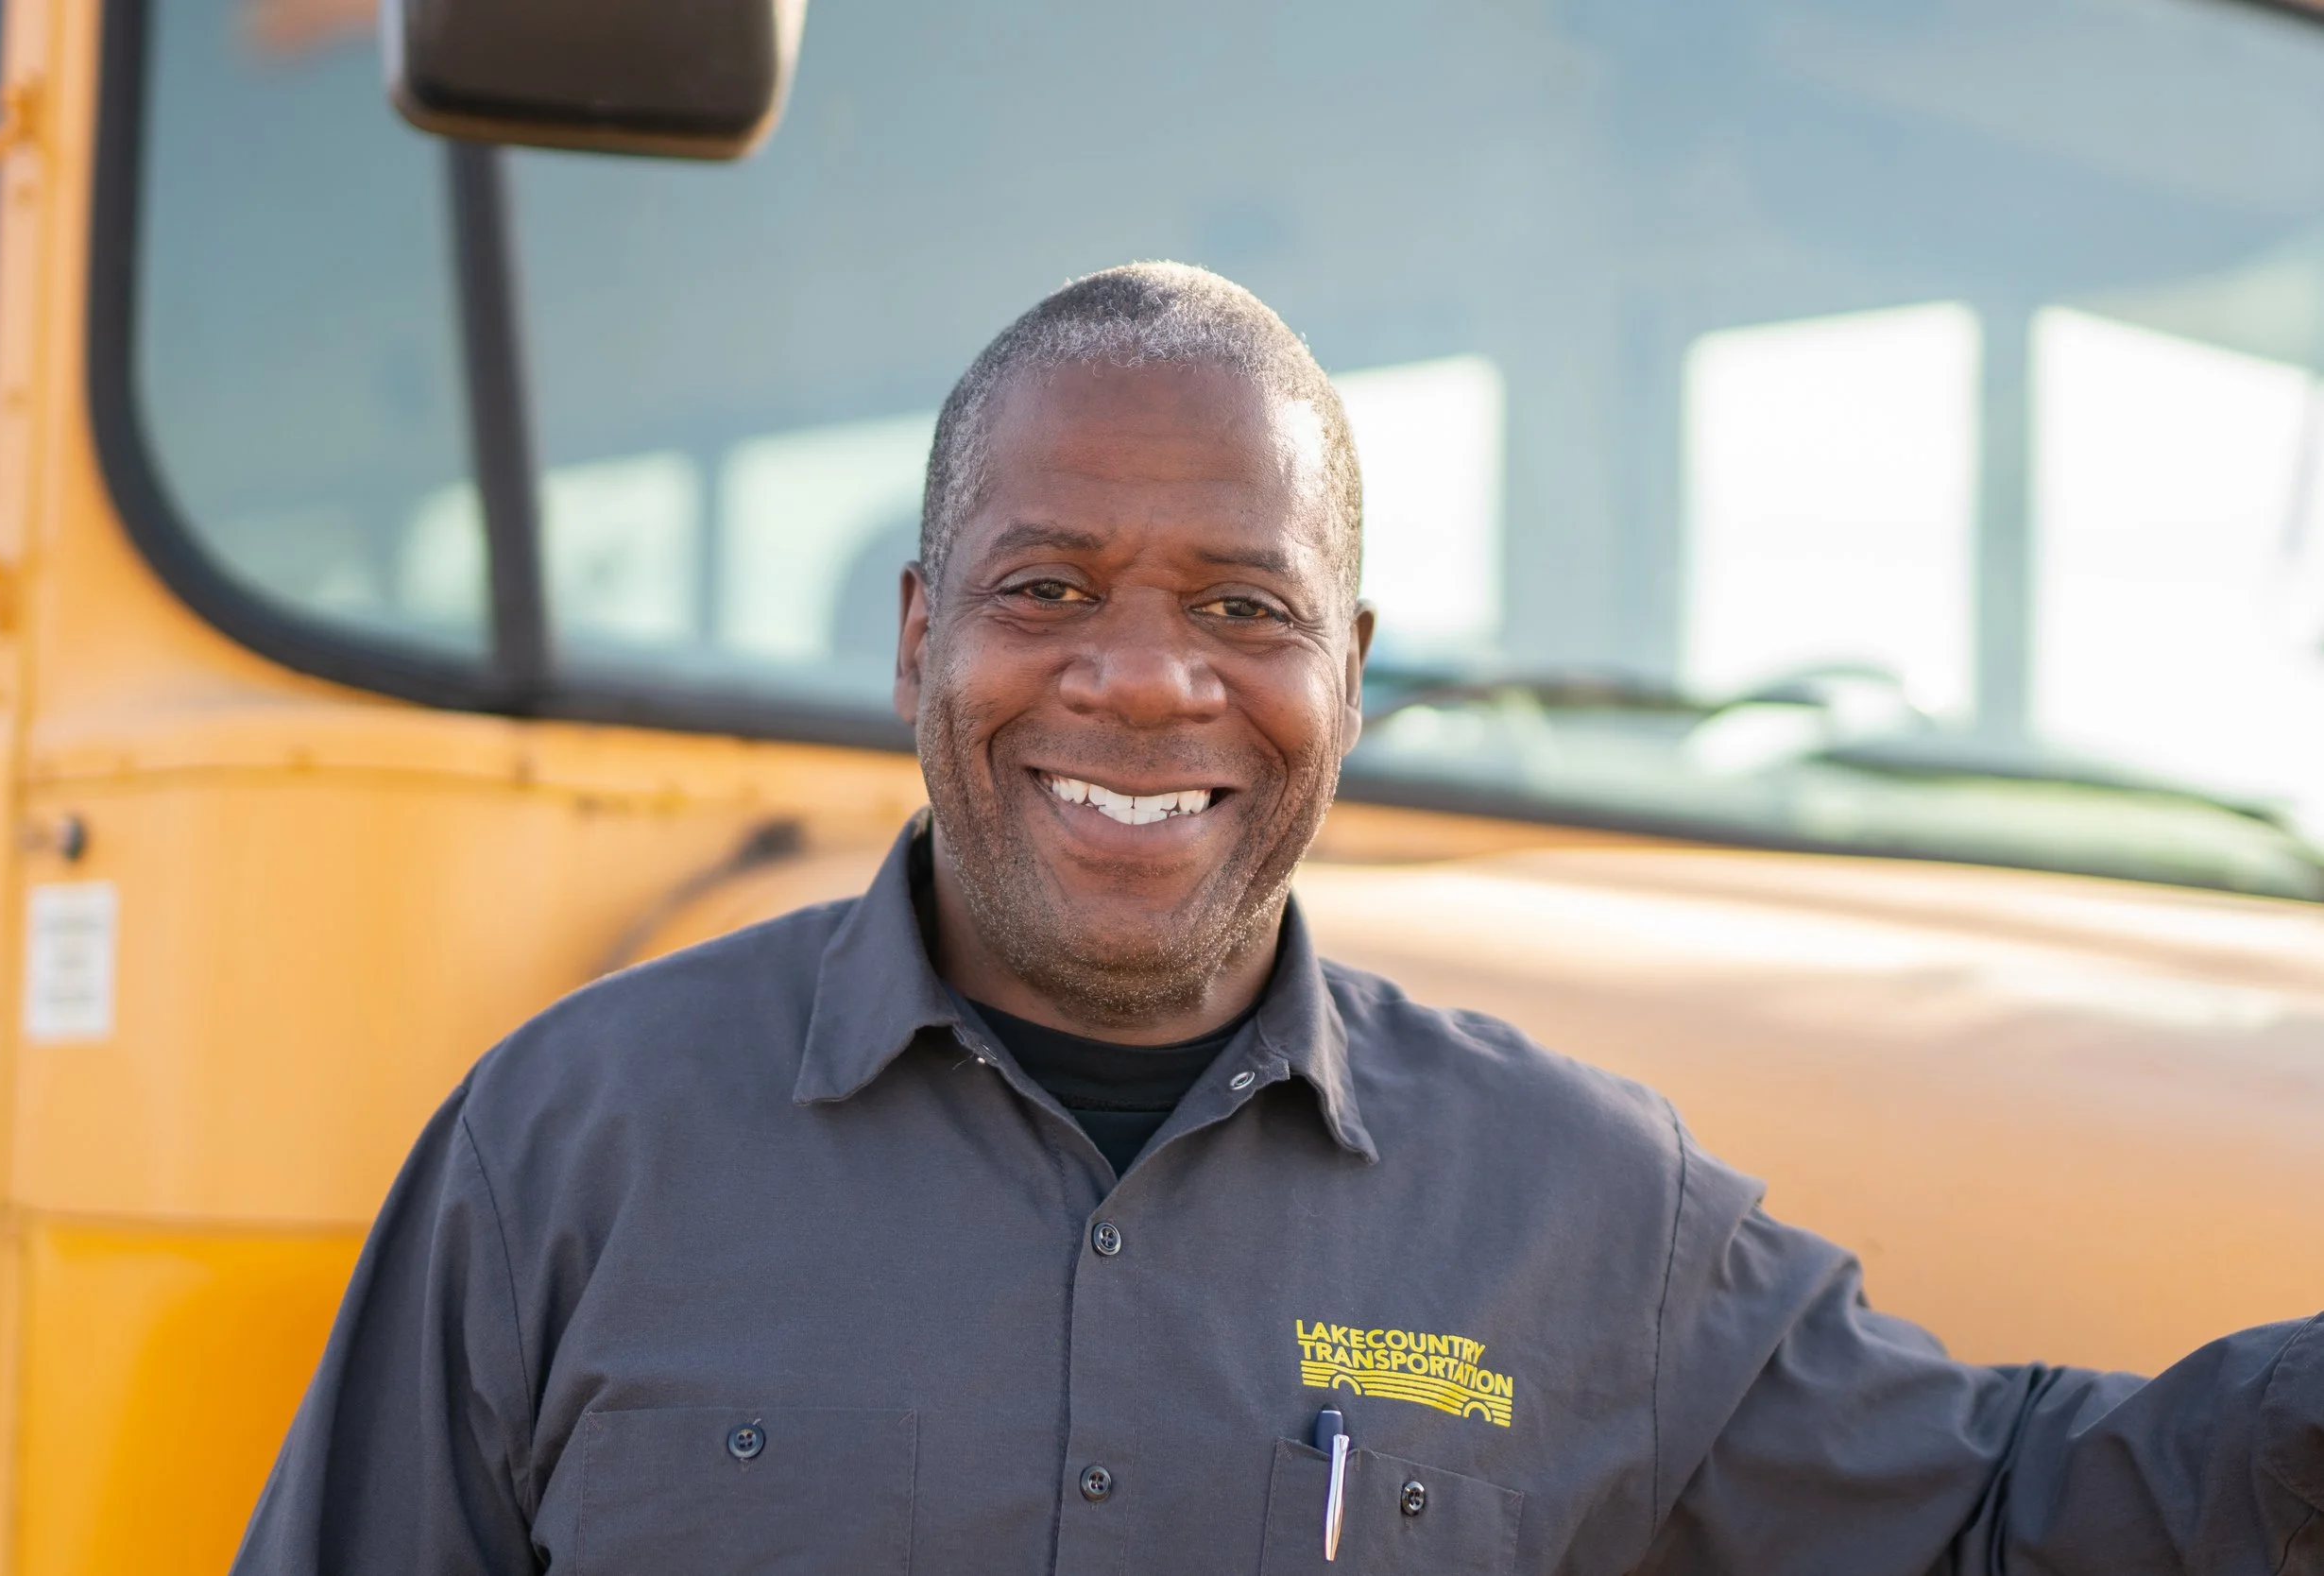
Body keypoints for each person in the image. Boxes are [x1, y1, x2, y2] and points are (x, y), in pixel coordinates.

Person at [232, 263, 2322, 1575]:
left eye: (1246, 611)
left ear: (1346, 672)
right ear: (915, 638)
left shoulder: (1581, 1208)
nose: (1144, 683)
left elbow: (1996, 1510)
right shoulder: (567, 1146)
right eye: (1046, 588)